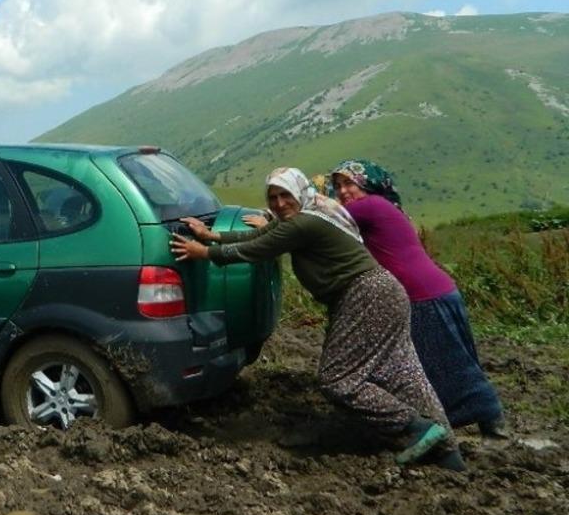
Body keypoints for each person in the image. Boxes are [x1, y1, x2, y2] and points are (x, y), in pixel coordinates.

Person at [171, 167, 463, 470]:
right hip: (384, 292)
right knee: (406, 373)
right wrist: (213, 235)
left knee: (338, 379)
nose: (279, 203)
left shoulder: (304, 224)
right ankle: (448, 453)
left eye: (285, 195)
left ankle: (414, 427)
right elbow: (263, 233)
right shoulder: (312, 213)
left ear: (300, 192)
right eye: (273, 197)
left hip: (362, 296)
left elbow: (255, 249)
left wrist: (203, 252)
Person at [329, 159, 505, 436]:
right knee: (454, 359)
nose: (342, 191)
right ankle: (482, 418)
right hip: (436, 290)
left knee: (434, 362)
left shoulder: (369, 206)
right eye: (337, 186)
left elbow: (323, 216)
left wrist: (272, 218)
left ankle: (465, 419)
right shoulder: (384, 208)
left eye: (349, 183)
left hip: (421, 295)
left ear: (368, 184)